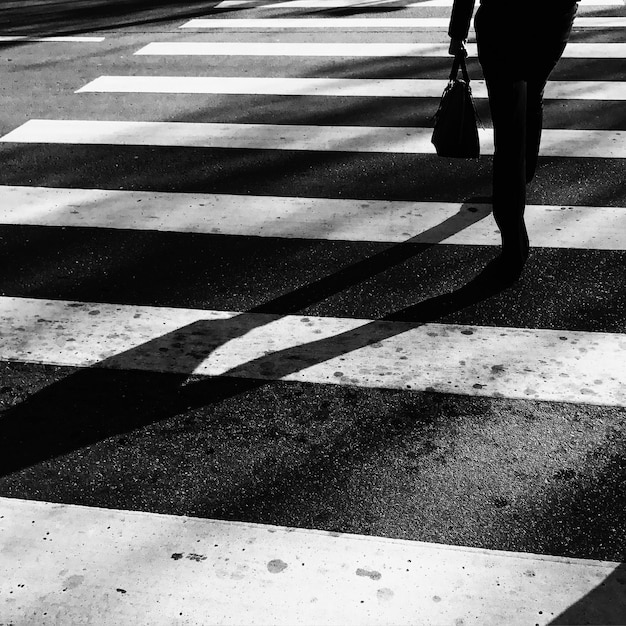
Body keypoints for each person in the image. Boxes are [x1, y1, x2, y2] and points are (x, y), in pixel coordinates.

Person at [448, 0, 578, 281]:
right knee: (532, 96)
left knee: (509, 127)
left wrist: (458, 30)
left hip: (503, 19)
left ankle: (514, 246)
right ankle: (524, 175)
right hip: (553, 18)